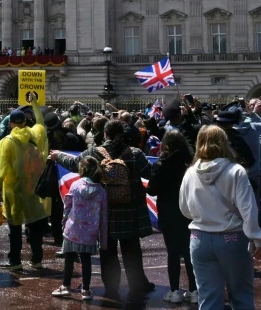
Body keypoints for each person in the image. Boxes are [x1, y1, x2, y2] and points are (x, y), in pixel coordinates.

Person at [52, 120, 153, 303]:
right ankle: (137, 284)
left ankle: (111, 288)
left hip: (104, 212)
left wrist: (57, 156)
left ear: (104, 134)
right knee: (131, 250)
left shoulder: (93, 153)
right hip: (130, 212)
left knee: (108, 252)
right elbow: (151, 173)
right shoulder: (135, 154)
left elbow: (75, 164)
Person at [179, 125, 261, 309]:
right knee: (241, 296)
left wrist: (204, 214)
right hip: (232, 237)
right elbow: (248, 210)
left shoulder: (190, 173)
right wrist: (257, 238)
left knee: (208, 298)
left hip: (199, 239)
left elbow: (184, 209)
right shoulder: (236, 171)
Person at [0, 105, 50, 271]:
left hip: (14, 189)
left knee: (14, 227)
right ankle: (37, 259)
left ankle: (15, 260)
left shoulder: (7, 142)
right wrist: (35, 104)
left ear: (11, 124)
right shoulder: (35, 135)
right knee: (34, 224)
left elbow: (2, 168)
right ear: (25, 122)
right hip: (33, 186)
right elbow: (41, 122)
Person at [146, 130, 197, 304]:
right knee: (190, 252)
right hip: (189, 211)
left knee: (173, 253)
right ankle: (193, 290)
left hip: (168, 210)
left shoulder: (161, 164)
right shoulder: (190, 163)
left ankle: (174, 290)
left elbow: (152, 189)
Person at [52, 156, 107, 301]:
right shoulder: (101, 190)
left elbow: (67, 206)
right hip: (90, 233)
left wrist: (64, 223)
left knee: (69, 258)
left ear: (82, 169)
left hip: (73, 229)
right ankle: (86, 290)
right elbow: (104, 216)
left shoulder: (75, 185)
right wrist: (103, 239)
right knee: (86, 260)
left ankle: (65, 286)